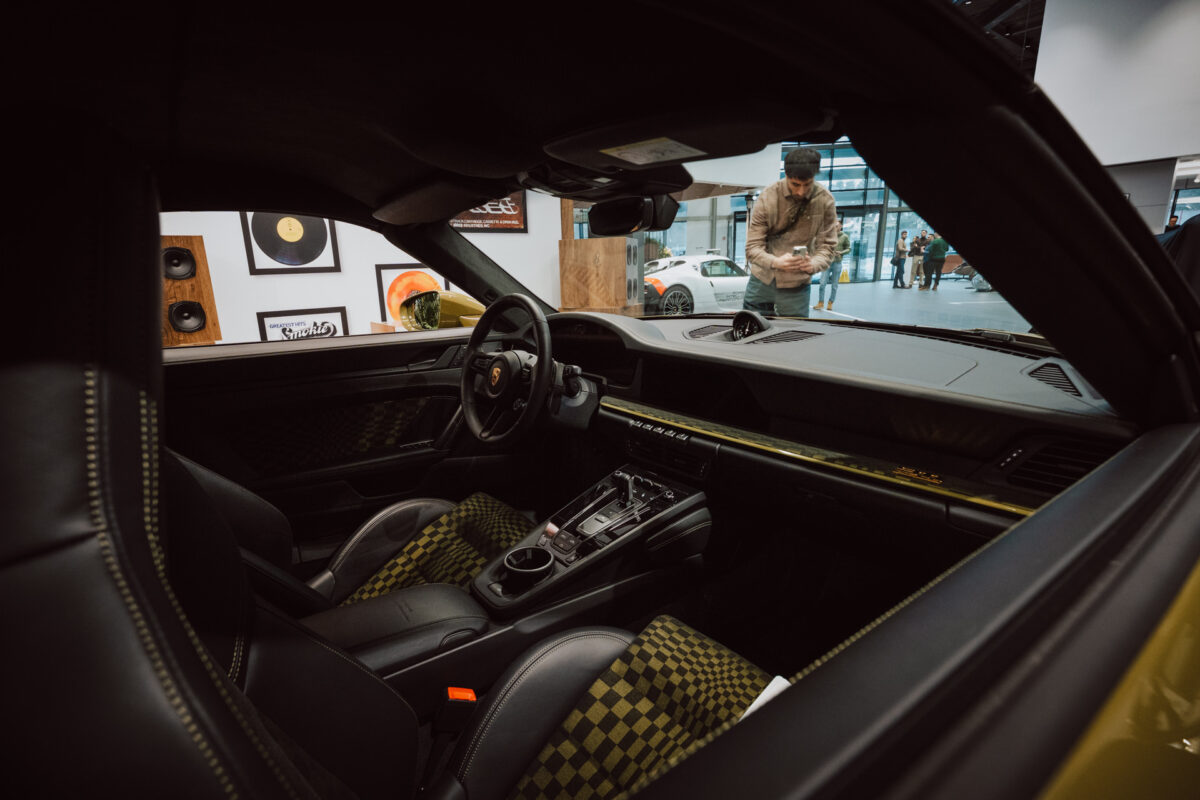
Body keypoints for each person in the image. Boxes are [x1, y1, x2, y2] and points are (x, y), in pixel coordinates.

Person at [744, 147, 839, 317]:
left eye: (807, 184)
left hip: (797, 284)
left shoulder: (825, 201)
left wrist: (814, 264)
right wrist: (775, 262)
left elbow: (828, 247)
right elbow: (752, 248)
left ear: (814, 177)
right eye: (795, 184)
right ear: (786, 175)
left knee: (795, 336)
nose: (801, 191)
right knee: (752, 331)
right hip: (762, 279)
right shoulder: (768, 197)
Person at [814, 220, 851, 311]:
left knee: (834, 285)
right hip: (827, 263)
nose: (835, 228)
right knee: (822, 284)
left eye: (837, 226)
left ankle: (830, 302)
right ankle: (820, 302)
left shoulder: (844, 237)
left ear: (841, 226)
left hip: (837, 263)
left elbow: (849, 249)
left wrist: (841, 252)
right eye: (833, 226)